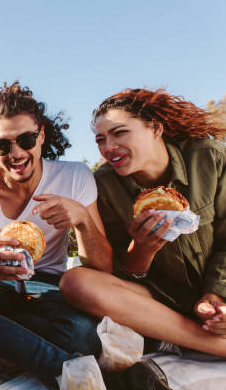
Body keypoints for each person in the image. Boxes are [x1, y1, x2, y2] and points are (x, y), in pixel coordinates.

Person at [0, 81, 111, 382]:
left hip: (52, 286)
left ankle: (11, 334)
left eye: (26, 140)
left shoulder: (75, 177)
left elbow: (103, 267)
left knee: (83, 336)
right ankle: (68, 372)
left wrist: (82, 219)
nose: (15, 154)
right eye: (2, 146)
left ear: (41, 135)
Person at [59, 88, 226, 357]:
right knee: (75, 282)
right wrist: (142, 250)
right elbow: (116, 272)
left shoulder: (209, 158)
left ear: (155, 128)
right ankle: (214, 345)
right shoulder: (104, 185)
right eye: (100, 139)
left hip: (218, 290)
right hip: (161, 302)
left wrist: (216, 296)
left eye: (120, 133)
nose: (108, 147)